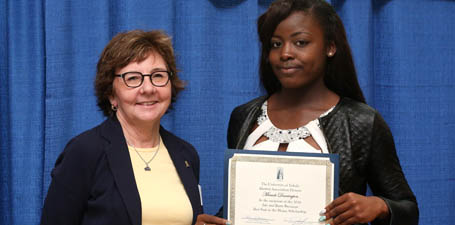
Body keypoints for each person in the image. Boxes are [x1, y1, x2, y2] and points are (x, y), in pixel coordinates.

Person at [223, 0, 419, 225]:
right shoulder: (244, 116)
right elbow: (240, 205)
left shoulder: (362, 122)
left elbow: (408, 209)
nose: (285, 53)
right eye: (276, 44)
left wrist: (380, 206)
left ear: (330, 47)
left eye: (301, 42)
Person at [40, 30, 214, 225]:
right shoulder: (85, 152)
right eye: (132, 78)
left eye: (157, 76)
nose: (148, 88)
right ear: (111, 95)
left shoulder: (186, 155)